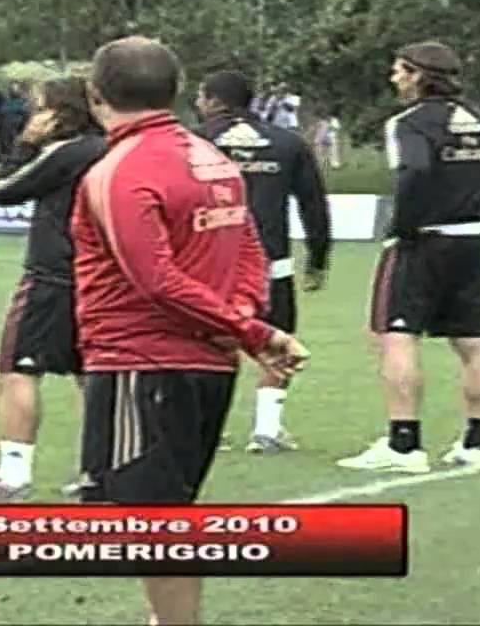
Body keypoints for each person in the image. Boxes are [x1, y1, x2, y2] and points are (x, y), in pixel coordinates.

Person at [72, 36, 309, 626]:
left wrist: (251, 331)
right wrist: (246, 321)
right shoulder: (211, 159)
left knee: (151, 520)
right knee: (162, 513)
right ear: (175, 93)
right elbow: (252, 245)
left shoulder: (119, 171)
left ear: (94, 95)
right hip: (204, 364)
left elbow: (154, 280)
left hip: (141, 362)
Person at [337, 40, 480, 474]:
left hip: (423, 242)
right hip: (471, 243)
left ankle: (404, 446)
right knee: (474, 342)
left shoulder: (409, 124)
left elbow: (414, 171)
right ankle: (476, 445)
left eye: (399, 70)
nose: (393, 77)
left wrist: (401, 226)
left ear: (419, 75)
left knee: (396, 336)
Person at [0, 77, 106, 503]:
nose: (34, 115)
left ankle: (12, 475)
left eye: (40, 108)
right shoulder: (109, 147)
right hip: (100, 278)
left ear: (57, 111)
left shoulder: (64, 151)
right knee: (90, 375)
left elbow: (1, 190)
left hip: (53, 276)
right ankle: (100, 471)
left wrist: (26, 144)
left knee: (16, 369)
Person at [195, 69, 331, 453]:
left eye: (201, 98)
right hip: (271, 264)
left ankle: (206, 429)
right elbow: (313, 205)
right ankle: (266, 431)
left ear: (213, 101)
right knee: (275, 342)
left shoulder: (194, 142)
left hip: (206, 264)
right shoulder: (287, 143)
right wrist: (318, 260)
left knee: (207, 344)